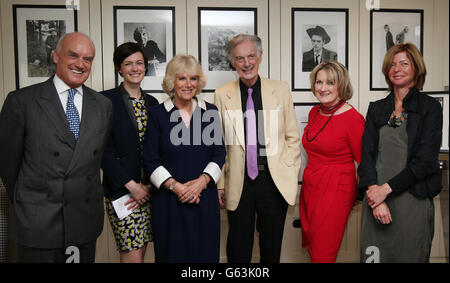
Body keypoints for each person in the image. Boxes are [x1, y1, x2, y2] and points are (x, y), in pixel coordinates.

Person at [0, 32, 113, 263]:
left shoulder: (103, 106)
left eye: (88, 59)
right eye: (73, 55)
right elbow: (7, 166)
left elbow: (96, 159)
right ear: (55, 56)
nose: (80, 64)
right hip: (38, 223)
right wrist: (33, 202)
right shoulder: (22, 101)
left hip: (83, 222)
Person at [214, 34, 301, 263]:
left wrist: (289, 171)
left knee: (271, 248)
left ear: (260, 57)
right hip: (238, 182)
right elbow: (219, 143)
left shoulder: (280, 90)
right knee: (238, 248)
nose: (246, 63)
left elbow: (293, 137)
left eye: (251, 56)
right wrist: (221, 184)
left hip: (273, 181)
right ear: (233, 62)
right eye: (240, 58)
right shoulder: (222, 95)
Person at [358, 43, 442, 263]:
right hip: (375, 200)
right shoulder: (376, 108)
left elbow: (425, 162)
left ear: (417, 68)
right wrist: (376, 198)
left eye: (404, 63)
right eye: (392, 64)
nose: (397, 68)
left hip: (412, 201)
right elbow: (366, 156)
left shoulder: (430, 108)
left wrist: (384, 191)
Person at [143, 55, 226, 262]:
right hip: (170, 202)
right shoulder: (157, 114)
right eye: (182, 79)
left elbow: (219, 153)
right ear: (172, 82)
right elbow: (150, 160)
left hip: (204, 200)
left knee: (205, 257)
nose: (188, 85)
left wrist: (201, 183)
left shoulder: (211, 112)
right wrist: (178, 188)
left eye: (193, 79)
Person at [300, 61, 365, 263]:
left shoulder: (353, 118)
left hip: (337, 189)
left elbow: (365, 161)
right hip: (311, 187)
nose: (323, 88)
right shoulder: (314, 113)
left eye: (330, 82)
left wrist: (359, 193)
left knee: (323, 253)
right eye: (319, 82)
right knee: (313, 248)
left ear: (341, 85)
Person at [101, 42, 159, 263]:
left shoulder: (153, 103)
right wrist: (132, 186)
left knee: (141, 252)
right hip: (123, 192)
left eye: (139, 63)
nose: (135, 69)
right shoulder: (104, 101)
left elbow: (158, 150)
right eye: (128, 64)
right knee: (132, 254)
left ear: (145, 66)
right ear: (119, 68)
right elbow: (102, 150)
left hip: (149, 192)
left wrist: (148, 187)